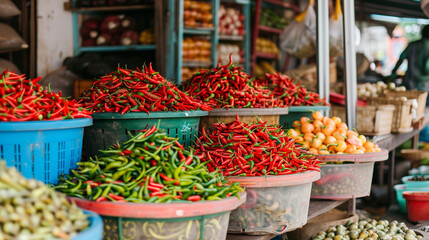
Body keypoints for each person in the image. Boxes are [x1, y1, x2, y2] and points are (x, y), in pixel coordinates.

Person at [391, 25, 429, 93]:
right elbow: (426, 69)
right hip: (424, 86)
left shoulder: (412, 45)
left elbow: (401, 59)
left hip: (408, 83)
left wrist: (393, 72)